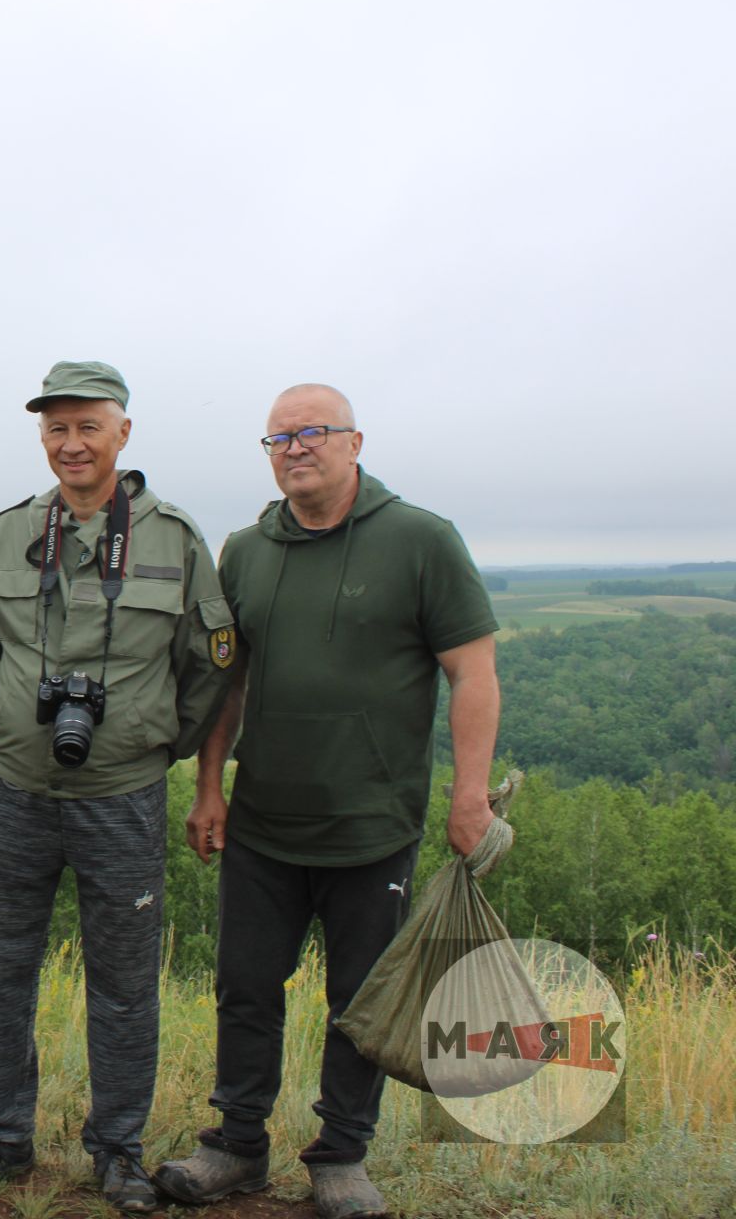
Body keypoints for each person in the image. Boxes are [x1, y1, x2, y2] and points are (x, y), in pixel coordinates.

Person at [153, 384, 500, 1219]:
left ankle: (341, 1156)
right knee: (244, 987)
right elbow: (226, 679)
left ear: (354, 442)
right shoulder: (247, 548)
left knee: (360, 1001)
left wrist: (470, 797)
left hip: (372, 825)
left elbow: (473, 673)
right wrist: (209, 787)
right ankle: (235, 1145)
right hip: (264, 822)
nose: (295, 448)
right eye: (278, 438)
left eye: (313, 433)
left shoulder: (421, 540)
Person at [0, 360, 235, 1211]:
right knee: (0, 974)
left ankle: (117, 1150)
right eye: (56, 428)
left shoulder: (173, 538)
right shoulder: (3, 533)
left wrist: (150, 741)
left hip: (123, 799)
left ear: (123, 433)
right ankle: (1, 1136)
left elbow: (209, 665)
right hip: (15, 790)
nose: (72, 444)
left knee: (124, 985)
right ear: (42, 437)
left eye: (88, 427)